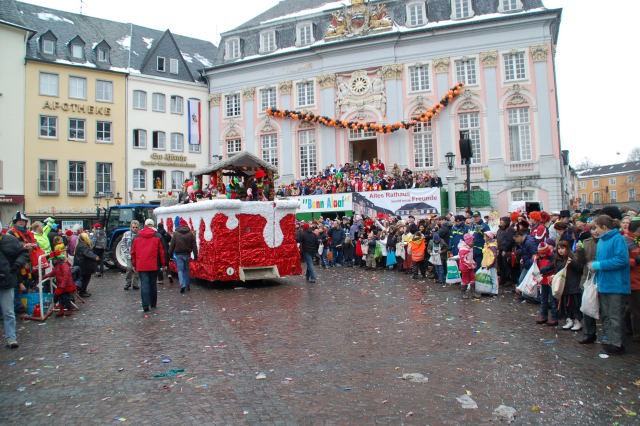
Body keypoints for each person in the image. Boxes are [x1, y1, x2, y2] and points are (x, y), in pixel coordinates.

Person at [588, 214, 631, 354]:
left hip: (616, 284)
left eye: (597, 227)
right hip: (604, 283)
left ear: (604, 227)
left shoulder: (617, 239)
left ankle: (617, 343)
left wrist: (598, 265)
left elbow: (621, 260)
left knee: (615, 315)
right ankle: (609, 339)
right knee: (606, 314)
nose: (595, 230)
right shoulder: (601, 241)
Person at [0, 230, 29, 348]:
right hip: (8, 278)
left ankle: (11, 338)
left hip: (6, 280)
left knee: (8, 312)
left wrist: (17, 265)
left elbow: (24, 253)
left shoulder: (10, 240)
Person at [131, 219, 165, 313]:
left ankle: (145, 304)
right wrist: (163, 263)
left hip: (141, 264)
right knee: (153, 284)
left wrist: (134, 264)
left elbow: (133, 252)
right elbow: (161, 251)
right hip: (153, 264)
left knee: (144, 284)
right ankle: (153, 303)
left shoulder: (137, 237)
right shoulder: (157, 236)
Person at [554, 240, 583, 331]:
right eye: (559, 248)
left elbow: (579, 269)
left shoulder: (572, 258)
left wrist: (572, 263)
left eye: (562, 248)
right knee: (566, 305)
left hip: (573, 286)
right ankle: (569, 319)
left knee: (574, 305)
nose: (560, 250)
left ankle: (577, 321)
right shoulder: (558, 260)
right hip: (564, 286)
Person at [43, 238, 76, 316]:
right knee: (61, 298)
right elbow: (52, 273)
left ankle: (69, 309)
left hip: (65, 286)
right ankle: (61, 309)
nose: (53, 261)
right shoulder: (58, 266)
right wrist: (45, 276)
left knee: (65, 298)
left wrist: (62, 286)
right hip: (61, 285)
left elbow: (66, 276)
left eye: (53, 260)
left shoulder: (63, 265)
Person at [169, 218, 198, 294]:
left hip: (179, 255)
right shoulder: (190, 234)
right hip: (187, 254)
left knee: (180, 270)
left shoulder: (176, 234)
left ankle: (182, 285)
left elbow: (172, 245)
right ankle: (187, 284)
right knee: (186, 269)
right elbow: (194, 246)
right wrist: (195, 255)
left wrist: (170, 255)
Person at [624, 218, 640, 342]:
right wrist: (635, 261)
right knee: (635, 309)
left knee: (633, 307)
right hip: (633, 279)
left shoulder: (634, 240)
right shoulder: (627, 240)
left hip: (636, 278)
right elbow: (622, 260)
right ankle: (636, 334)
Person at [535, 241, 558, 326]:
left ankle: (554, 317)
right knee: (543, 299)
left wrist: (542, 270)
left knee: (552, 300)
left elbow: (552, 266)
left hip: (550, 280)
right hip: (543, 280)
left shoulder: (552, 257)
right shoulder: (539, 257)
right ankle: (543, 315)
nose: (542, 255)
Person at [73, 233, 99, 298]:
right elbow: (87, 253)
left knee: (83, 278)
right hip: (84, 265)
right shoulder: (83, 245)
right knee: (85, 278)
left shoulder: (80, 244)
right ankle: (82, 291)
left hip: (81, 264)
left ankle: (82, 290)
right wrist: (95, 256)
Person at [497, 216, 516, 287]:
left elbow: (510, 240)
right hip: (500, 249)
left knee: (507, 266)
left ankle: (508, 280)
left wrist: (505, 249)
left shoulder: (510, 230)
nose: (501, 223)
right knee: (501, 265)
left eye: (502, 222)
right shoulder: (499, 230)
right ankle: (502, 279)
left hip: (507, 250)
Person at [122, 220, 140, 291]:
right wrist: (126, 252)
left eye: (136, 227)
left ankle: (135, 284)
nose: (135, 228)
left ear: (138, 227)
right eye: (133, 227)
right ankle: (128, 283)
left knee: (137, 270)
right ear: (131, 227)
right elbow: (123, 244)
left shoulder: (140, 234)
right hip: (129, 254)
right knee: (129, 268)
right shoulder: (126, 234)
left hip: (137, 256)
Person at [458, 233, 477, 299]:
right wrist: (469, 264)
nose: (473, 242)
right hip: (465, 267)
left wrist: (473, 262)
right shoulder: (463, 249)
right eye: (472, 241)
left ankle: (473, 292)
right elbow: (463, 260)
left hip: (470, 266)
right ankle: (463, 292)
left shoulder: (470, 247)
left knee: (473, 278)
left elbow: (470, 258)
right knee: (465, 279)